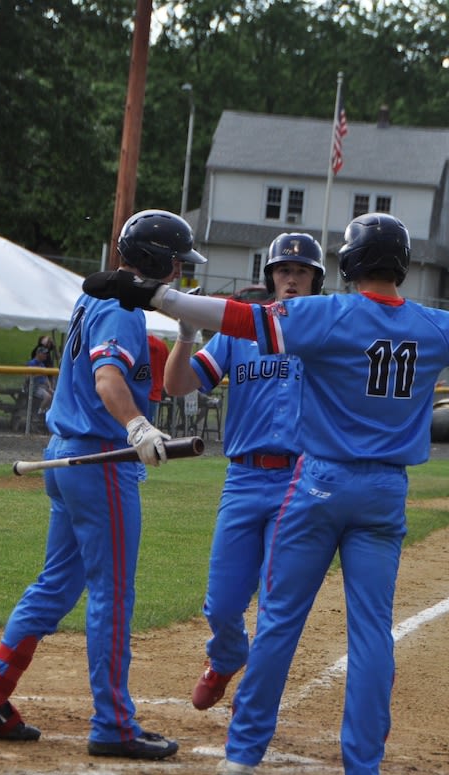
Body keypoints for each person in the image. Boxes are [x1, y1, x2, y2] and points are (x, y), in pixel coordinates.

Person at [83, 212, 449, 775]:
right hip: (385, 494)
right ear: (402, 265)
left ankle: (244, 752)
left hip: (319, 483)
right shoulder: (434, 326)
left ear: (349, 264)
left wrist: (159, 295)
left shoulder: (326, 314)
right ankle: (363, 772)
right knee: (372, 632)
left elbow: (236, 317)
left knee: (280, 620)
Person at [0, 209, 206, 760]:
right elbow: (107, 376)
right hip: (99, 462)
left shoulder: (95, 296)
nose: (177, 276)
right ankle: (114, 724)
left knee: (56, 585)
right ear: (159, 263)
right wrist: (136, 425)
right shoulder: (121, 308)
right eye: (175, 265)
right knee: (112, 595)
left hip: (67, 458)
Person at [162, 232, 319, 711]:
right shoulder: (239, 331)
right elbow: (176, 385)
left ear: (315, 280)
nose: (291, 279)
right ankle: (227, 653)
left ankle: (254, 699)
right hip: (244, 477)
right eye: (283, 271)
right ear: (271, 277)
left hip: (300, 479)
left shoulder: (326, 332)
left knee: (277, 604)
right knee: (223, 602)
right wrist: (187, 331)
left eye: (301, 272)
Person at [25, 345, 55, 415]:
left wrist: (50, 387)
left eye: (46, 354)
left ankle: (47, 410)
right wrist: (38, 374)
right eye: (44, 354)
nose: (46, 355)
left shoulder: (42, 364)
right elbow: (27, 377)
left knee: (55, 395)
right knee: (48, 397)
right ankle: (40, 413)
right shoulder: (32, 363)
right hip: (34, 387)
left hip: (43, 387)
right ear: (38, 354)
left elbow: (46, 377)